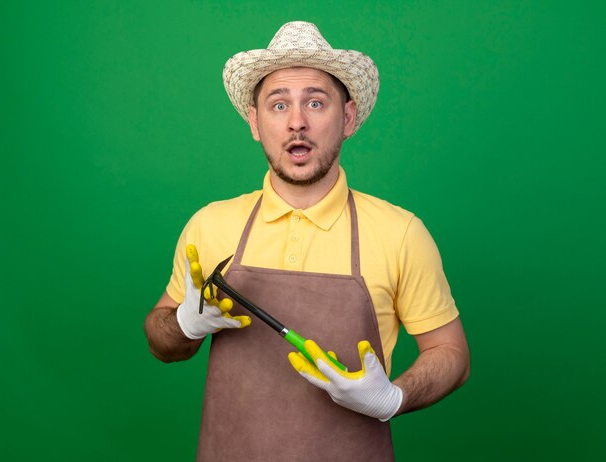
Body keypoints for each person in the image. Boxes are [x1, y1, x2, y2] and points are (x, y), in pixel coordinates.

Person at [144, 21, 470, 461]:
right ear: (255, 123)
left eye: (316, 102)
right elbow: (159, 339)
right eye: (278, 105)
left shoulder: (400, 233)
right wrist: (181, 326)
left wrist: (395, 397)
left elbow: (451, 353)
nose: (297, 122)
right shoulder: (210, 225)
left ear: (348, 117)